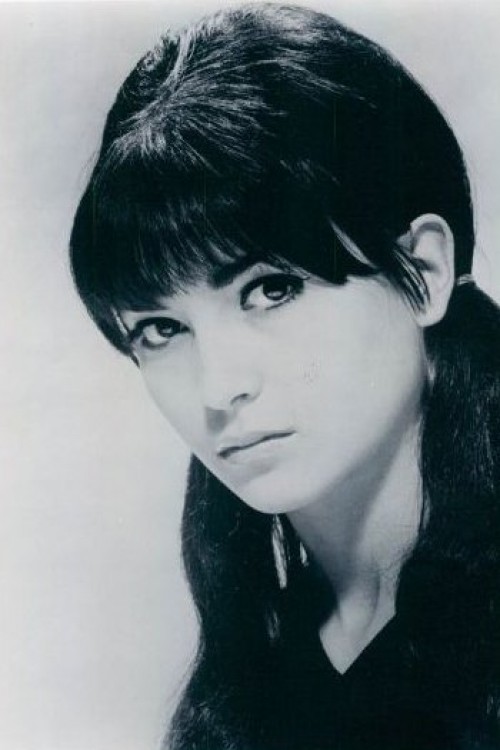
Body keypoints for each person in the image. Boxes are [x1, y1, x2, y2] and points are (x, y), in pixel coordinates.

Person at [69, 4, 500, 748]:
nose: (218, 389)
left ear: (425, 272)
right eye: (162, 329)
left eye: (272, 289)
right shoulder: (274, 658)